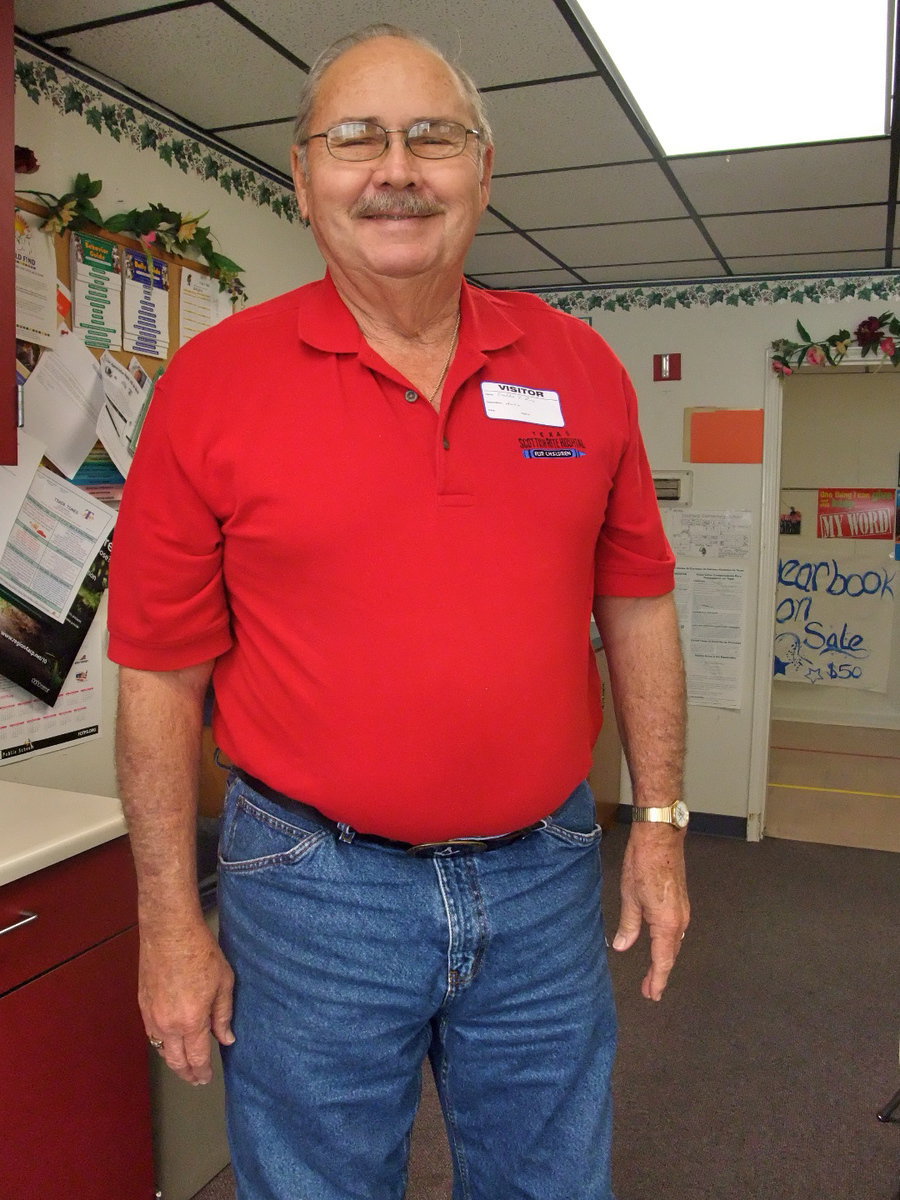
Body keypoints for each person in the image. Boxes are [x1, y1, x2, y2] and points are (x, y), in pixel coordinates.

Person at [109, 24, 689, 1200]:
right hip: (310, 887)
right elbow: (158, 673)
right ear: (302, 175)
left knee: (551, 1185)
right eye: (356, 138)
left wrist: (665, 823)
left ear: (485, 169)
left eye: (434, 136)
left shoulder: (583, 367)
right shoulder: (211, 386)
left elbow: (636, 601)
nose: (396, 169)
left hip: (544, 874)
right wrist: (169, 920)